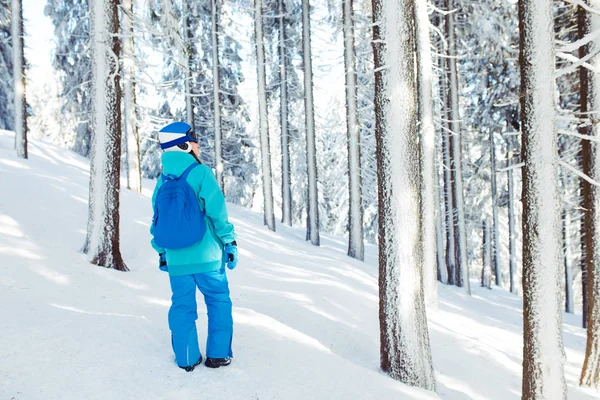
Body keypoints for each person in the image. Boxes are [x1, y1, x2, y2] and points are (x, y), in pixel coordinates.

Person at [150, 121, 239, 372]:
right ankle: (218, 355)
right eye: (194, 138)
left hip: (177, 259)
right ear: (184, 144)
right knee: (218, 301)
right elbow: (217, 214)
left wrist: (163, 251)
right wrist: (229, 242)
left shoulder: (162, 180)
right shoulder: (200, 173)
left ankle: (187, 357)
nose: (199, 144)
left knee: (182, 306)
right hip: (208, 257)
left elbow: (157, 220)